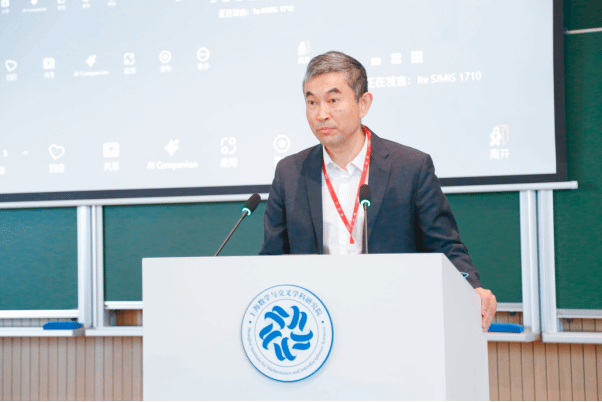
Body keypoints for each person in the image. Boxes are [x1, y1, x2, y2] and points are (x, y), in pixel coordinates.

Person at [259, 51, 497, 331]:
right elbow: (272, 259)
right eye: (312, 102)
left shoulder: (411, 167)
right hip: (316, 324)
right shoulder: (290, 173)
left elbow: (444, 245)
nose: (321, 114)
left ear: (363, 103)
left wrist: (472, 287)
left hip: (392, 319)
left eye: (333, 101)